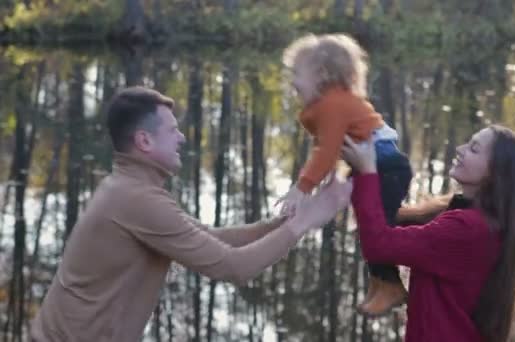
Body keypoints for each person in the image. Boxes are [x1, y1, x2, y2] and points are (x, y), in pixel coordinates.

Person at [30, 87, 352, 342]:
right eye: (173, 130)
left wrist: (287, 220)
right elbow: (233, 267)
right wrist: (303, 223)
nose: (182, 137)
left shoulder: (133, 189)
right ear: (144, 141)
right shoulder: (137, 198)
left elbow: (213, 239)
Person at [340, 125, 515, 341]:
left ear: (495, 172)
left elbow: (379, 244)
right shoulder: (473, 221)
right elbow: (388, 230)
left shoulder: (468, 229)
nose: (460, 149)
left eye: (473, 149)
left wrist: (367, 171)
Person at [278, 33, 413, 315]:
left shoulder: (333, 104)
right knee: (367, 229)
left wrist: (301, 187)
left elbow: (327, 150)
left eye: (297, 73)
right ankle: (381, 282)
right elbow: (336, 145)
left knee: (375, 231)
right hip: (377, 166)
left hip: (387, 169)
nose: (292, 81)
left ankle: (389, 285)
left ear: (322, 74)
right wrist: (331, 177)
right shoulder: (330, 103)